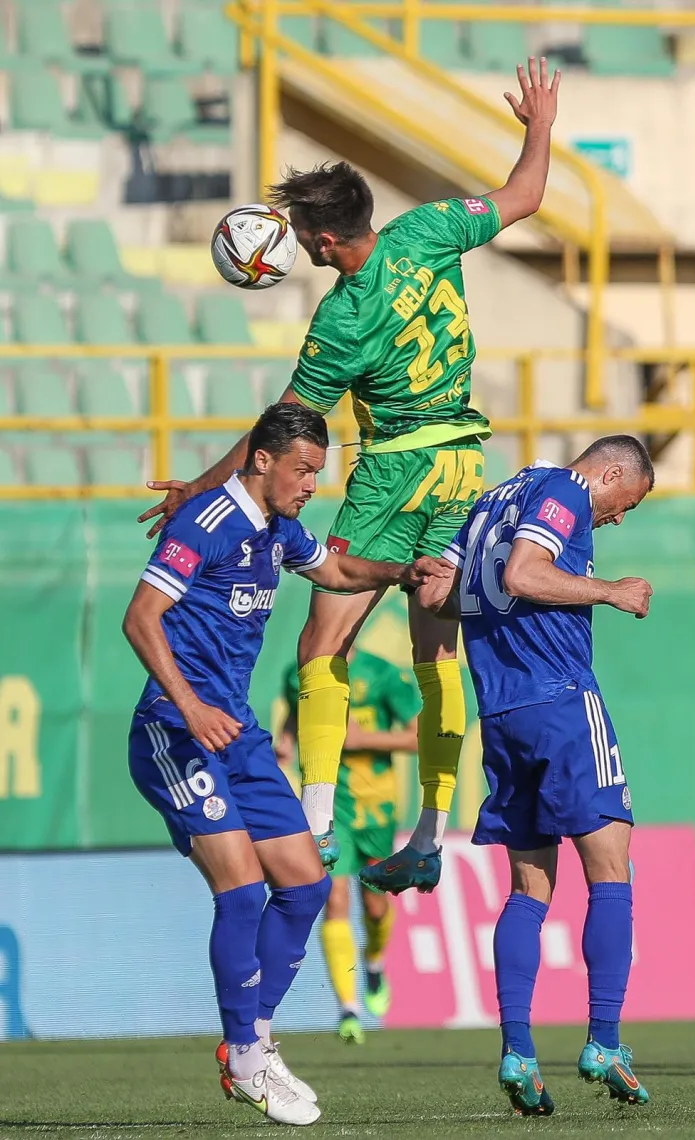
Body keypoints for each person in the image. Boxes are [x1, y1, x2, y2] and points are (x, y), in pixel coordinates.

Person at [137, 57, 561, 894]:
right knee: (437, 649)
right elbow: (526, 195)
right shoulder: (428, 229)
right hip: (465, 463)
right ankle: (431, 833)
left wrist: (205, 487)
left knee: (319, 645)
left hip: (396, 469)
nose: (297, 246)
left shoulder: (341, 318)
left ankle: (319, 825)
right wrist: (538, 126)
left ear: (327, 242)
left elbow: (285, 426)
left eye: (299, 237)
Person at [123, 403, 448, 1127]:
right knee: (241, 888)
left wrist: (397, 571)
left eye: (317, 473)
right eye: (302, 470)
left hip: (234, 736)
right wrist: (191, 705)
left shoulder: (280, 531)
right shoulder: (205, 523)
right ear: (261, 460)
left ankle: (257, 1040)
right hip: (176, 731)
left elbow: (332, 566)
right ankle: (243, 1053)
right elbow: (140, 617)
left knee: (305, 881)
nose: (310, 485)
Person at [417, 436, 655, 1116]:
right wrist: (609, 590)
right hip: (561, 701)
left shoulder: (493, 500)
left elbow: (439, 595)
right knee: (611, 868)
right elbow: (524, 574)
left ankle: (519, 1051)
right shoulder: (564, 495)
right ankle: (604, 1040)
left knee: (529, 885)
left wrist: (415, 573)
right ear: (609, 472)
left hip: (503, 711)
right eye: (623, 502)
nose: (614, 519)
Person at [277, 648, 419, 1042]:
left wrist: (361, 739)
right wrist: (286, 743)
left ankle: (373, 964)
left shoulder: (382, 673)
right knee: (335, 900)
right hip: (330, 807)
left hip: (376, 807)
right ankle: (348, 1008)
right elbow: (296, 714)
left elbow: (420, 736)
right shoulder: (299, 672)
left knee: (376, 906)